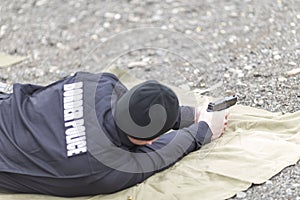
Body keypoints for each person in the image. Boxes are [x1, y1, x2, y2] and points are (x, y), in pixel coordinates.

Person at [0, 71, 228, 197]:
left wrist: (189, 116)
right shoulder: (105, 166)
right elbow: (163, 153)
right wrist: (203, 130)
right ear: (150, 139)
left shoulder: (97, 83)